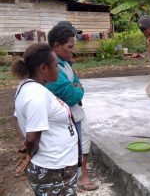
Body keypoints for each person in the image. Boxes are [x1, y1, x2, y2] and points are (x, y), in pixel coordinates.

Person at [12, 43, 79, 195]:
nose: (58, 70)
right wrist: (29, 151)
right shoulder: (37, 96)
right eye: (56, 66)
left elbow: (15, 118)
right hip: (53, 169)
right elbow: (31, 138)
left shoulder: (27, 87)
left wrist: (27, 145)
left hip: (58, 165)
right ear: (43, 68)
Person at [46, 23, 98, 191]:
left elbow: (77, 83)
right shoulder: (53, 67)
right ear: (56, 46)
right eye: (69, 47)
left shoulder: (64, 63)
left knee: (83, 141)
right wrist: (77, 89)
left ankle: (78, 175)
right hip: (67, 116)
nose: (72, 50)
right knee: (75, 146)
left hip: (75, 112)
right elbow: (71, 94)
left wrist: (76, 87)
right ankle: (76, 178)